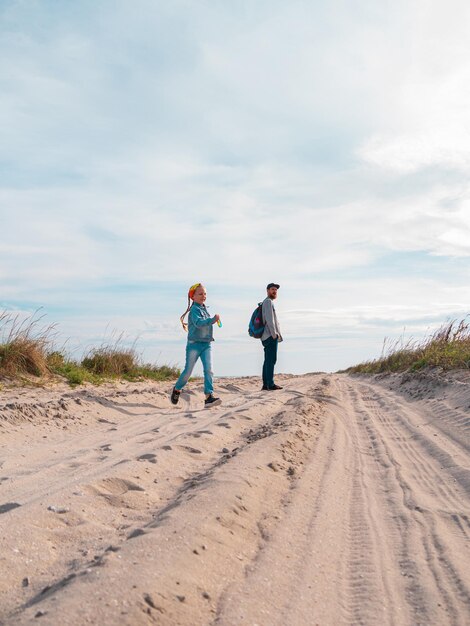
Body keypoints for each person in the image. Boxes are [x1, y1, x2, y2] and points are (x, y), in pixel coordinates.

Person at [170, 283, 221, 408]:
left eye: (205, 294)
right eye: (200, 294)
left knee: (209, 370)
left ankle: (209, 396)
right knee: (188, 371)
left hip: (206, 344)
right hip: (194, 345)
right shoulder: (194, 310)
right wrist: (212, 320)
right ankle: (177, 389)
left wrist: (213, 320)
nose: (203, 296)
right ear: (193, 296)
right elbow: (198, 323)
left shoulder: (204, 308)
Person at [261, 282, 283, 390]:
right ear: (267, 290)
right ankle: (270, 384)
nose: (274, 291)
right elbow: (270, 320)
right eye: (272, 289)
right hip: (270, 336)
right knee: (271, 360)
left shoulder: (266, 302)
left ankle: (266, 384)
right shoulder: (268, 302)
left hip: (266, 336)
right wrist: (274, 335)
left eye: (276, 290)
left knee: (267, 360)